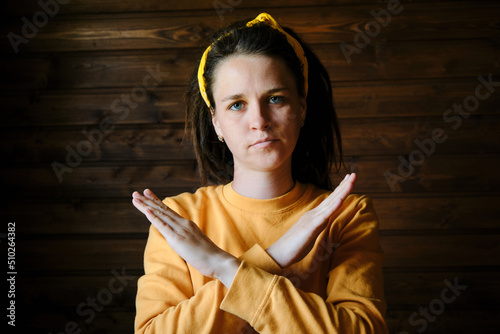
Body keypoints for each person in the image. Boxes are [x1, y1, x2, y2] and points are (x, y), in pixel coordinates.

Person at [132, 13, 388, 333]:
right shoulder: (177, 218)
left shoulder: (346, 215)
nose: (260, 120)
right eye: (237, 104)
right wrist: (274, 256)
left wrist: (224, 267)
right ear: (216, 122)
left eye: (275, 98)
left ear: (302, 108)